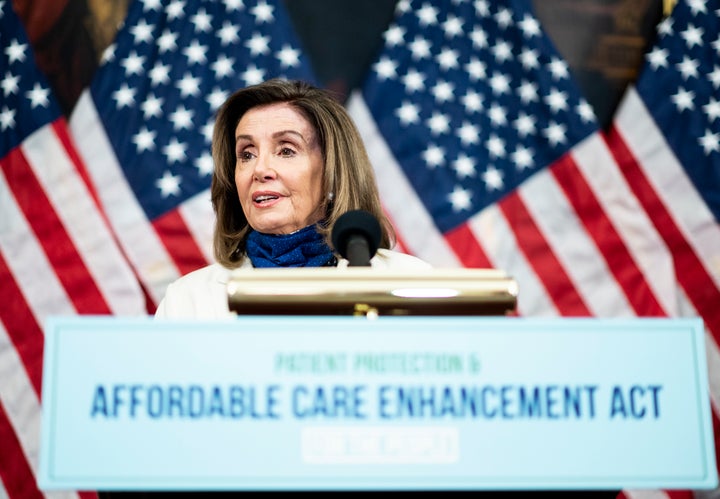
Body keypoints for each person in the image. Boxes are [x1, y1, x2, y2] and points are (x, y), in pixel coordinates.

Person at [155, 78, 431, 319]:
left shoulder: (410, 284)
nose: (259, 169)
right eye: (246, 154)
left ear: (332, 171)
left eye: (286, 150)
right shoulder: (187, 301)